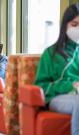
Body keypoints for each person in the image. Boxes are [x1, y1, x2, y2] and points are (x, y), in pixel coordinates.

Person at [35, 3, 79, 135]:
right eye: (74, 24)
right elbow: (41, 86)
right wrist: (71, 85)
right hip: (56, 97)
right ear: (65, 25)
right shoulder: (51, 53)